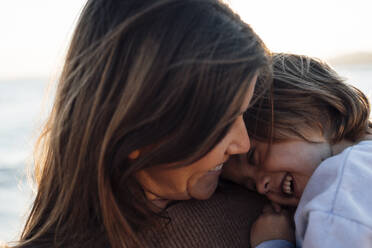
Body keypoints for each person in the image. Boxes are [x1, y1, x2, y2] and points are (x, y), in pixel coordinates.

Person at [8, 0, 271, 247]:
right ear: (138, 124)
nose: (243, 144)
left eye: (244, 113)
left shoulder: (270, 207)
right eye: (224, 121)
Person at [222, 53, 372, 247]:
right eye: (250, 185)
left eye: (254, 157)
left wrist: (274, 243)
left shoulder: (339, 189)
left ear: (312, 111)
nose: (261, 187)